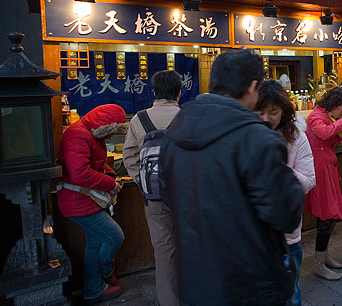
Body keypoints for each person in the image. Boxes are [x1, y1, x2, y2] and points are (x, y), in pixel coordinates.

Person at [159, 49, 304, 305]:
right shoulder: (257, 138)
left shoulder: (174, 131)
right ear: (252, 87)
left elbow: (170, 198)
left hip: (195, 279)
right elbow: (285, 213)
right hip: (250, 282)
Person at [56, 104, 128, 304]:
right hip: (78, 200)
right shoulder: (78, 135)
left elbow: (94, 162)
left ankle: (94, 287)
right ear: (104, 127)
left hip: (83, 199)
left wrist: (109, 172)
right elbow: (79, 173)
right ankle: (103, 273)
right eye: (112, 132)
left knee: (95, 243)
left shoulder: (87, 133)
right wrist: (110, 183)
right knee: (115, 236)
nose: (111, 137)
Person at [122, 70, 182, 306]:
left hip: (154, 199)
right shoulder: (187, 116)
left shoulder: (139, 119)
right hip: (186, 197)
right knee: (191, 245)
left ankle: (169, 302)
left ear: (155, 91)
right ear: (179, 91)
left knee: (164, 252)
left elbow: (129, 156)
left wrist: (144, 181)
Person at [255, 80, 316, 306]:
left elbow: (309, 181)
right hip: (253, 236)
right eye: (260, 111)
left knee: (289, 295)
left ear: (284, 110)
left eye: (273, 112)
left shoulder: (297, 137)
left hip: (286, 236)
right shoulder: (244, 137)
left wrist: (281, 170)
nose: (266, 118)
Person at [305, 87, 342, 281]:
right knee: (326, 213)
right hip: (320, 169)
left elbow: (327, 139)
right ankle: (319, 263)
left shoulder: (321, 114)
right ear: (335, 104)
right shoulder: (316, 116)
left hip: (325, 167)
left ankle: (323, 256)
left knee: (327, 215)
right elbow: (324, 134)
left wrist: (341, 129)